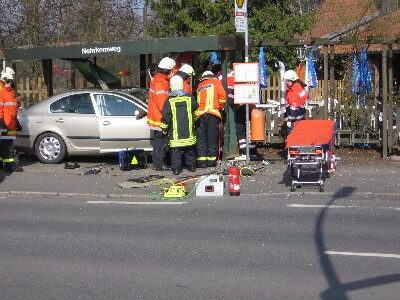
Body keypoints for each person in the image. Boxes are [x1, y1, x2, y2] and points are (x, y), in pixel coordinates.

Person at [160, 75, 198, 175]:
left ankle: (177, 169)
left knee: (175, 152)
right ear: (182, 85)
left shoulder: (169, 100)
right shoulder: (189, 98)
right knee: (190, 150)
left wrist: (164, 128)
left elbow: (166, 116)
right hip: (189, 132)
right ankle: (192, 166)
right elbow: (196, 107)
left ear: (171, 86)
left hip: (175, 135)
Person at [147, 57, 176, 171]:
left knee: (159, 141)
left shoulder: (158, 79)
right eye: (172, 70)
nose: (173, 72)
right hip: (159, 117)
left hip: (157, 116)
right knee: (161, 142)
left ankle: (158, 163)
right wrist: (167, 117)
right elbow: (162, 103)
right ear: (167, 70)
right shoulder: (160, 82)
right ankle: (159, 164)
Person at [195, 71, 227, 168]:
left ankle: (202, 161)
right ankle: (211, 161)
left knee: (201, 138)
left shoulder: (200, 85)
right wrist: (220, 107)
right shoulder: (216, 82)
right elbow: (223, 97)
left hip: (200, 115)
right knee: (212, 137)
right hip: (212, 113)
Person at [226, 70, 259, 159]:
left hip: (240, 106)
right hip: (251, 106)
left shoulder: (228, 79)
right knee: (250, 129)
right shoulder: (246, 78)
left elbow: (229, 98)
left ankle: (244, 152)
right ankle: (252, 150)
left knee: (240, 128)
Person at [0, 67, 23, 172]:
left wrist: (16, 122)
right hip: (6, 124)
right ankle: (9, 166)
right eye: (8, 81)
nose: (9, 83)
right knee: (7, 146)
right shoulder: (3, 93)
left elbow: (14, 109)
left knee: (7, 145)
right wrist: (2, 122)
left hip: (11, 124)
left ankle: (4, 164)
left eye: (10, 81)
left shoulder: (11, 93)